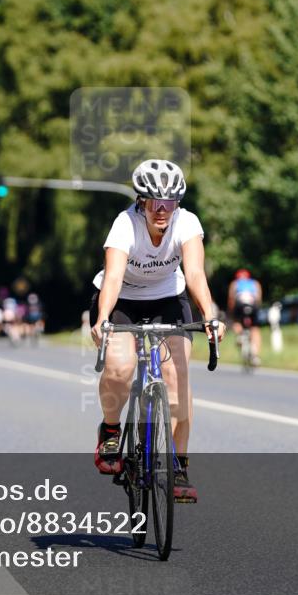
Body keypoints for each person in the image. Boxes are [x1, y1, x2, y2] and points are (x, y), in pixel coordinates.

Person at [89, 159, 225, 503]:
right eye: (154, 202)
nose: (162, 210)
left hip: (168, 297)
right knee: (120, 367)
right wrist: (103, 319)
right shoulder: (124, 225)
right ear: (141, 201)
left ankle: (178, 465)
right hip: (123, 299)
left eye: (170, 202)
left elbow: (195, 274)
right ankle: (109, 429)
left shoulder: (187, 223)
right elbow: (115, 277)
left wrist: (210, 315)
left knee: (177, 379)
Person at [227, 269, 264, 366]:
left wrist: (231, 313)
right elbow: (259, 299)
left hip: (240, 305)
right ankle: (256, 355)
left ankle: (240, 336)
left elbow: (231, 299)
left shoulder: (235, 283)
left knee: (236, 322)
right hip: (253, 305)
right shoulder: (255, 283)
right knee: (255, 329)